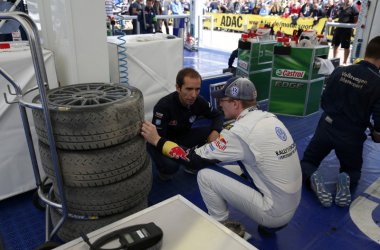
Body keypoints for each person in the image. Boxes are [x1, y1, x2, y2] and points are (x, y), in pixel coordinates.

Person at [142, 77, 302, 234]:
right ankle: (271, 225)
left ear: (235, 103)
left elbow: (192, 161)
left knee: (205, 175)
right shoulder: (271, 119)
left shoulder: (239, 131)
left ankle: (221, 227)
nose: (219, 103)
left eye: (223, 100)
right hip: (292, 203)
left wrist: (157, 140)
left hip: (273, 211)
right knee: (229, 164)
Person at [300, 36, 380, 208]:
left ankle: (313, 176)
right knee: (352, 170)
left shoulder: (339, 71)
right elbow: (379, 119)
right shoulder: (377, 83)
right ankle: (346, 178)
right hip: (351, 133)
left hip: (327, 125)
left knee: (308, 162)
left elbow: (324, 99)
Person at [146, 68, 224, 180]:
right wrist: (187, 154)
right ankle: (164, 171)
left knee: (216, 134)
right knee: (171, 166)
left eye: (197, 89)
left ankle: (191, 166)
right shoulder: (163, 106)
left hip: (182, 137)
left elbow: (218, 115)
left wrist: (215, 131)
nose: (194, 95)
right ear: (178, 87)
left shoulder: (198, 101)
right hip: (161, 141)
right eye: (189, 89)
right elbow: (157, 138)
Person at [330, 0, 359, 65]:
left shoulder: (353, 6)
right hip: (339, 27)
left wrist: (353, 25)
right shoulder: (341, 5)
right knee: (336, 44)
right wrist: (331, 18)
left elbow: (356, 17)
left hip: (347, 29)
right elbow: (337, 15)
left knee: (346, 46)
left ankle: (344, 62)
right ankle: (334, 60)